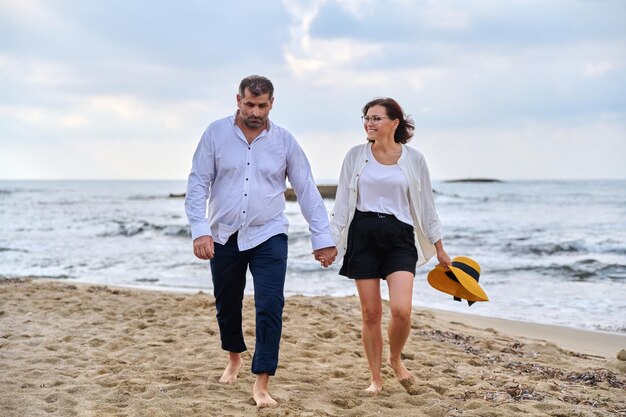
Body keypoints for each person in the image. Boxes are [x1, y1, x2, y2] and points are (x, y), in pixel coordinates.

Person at [185, 75, 337, 408]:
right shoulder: (215, 133)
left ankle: (261, 382)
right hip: (223, 233)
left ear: (272, 103)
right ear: (237, 100)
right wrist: (200, 228)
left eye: (263, 105)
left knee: (270, 305)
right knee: (227, 302)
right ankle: (234, 356)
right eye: (250, 104)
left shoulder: (284, 141)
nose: (256, 111)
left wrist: (322, 237)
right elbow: (198, 183)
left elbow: (307, 189)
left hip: (269, 233)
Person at [328, 97, 451, 394]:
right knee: (370, 314)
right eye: (366, 118)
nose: (369, 123)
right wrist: (329, 243)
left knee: (401, 311)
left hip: (400, 237)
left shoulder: (414, 159)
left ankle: (395, 359)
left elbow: (426, 206)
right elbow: (343, 204)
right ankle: (376, 378)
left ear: (394, 123)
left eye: (376, 118)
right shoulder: (355, 156)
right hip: (364, 235)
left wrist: (440, 247)